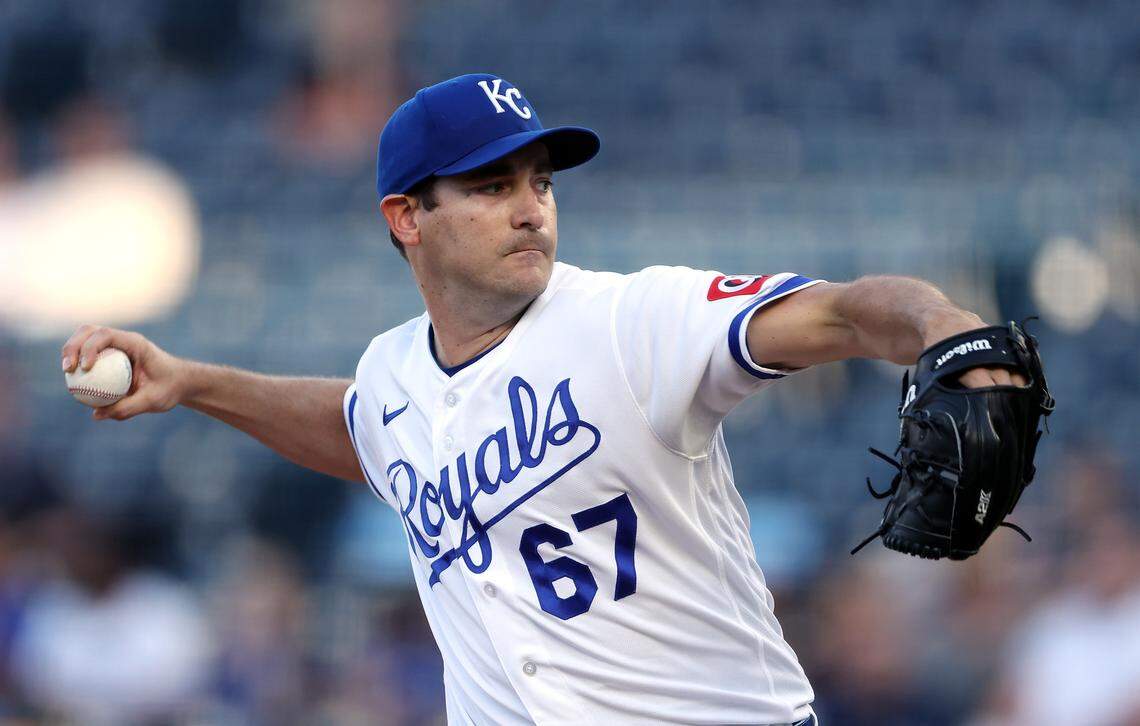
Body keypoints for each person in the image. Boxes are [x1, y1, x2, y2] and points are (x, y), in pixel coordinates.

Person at [61, 74, 1026, 725]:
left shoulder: (631, 320)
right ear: (406, 218)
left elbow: (843, 315)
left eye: (540, 181)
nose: (530, 206)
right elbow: (361, 432)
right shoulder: (395, 376)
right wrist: (192, 383)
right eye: (490, 185)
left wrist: (945, 327)